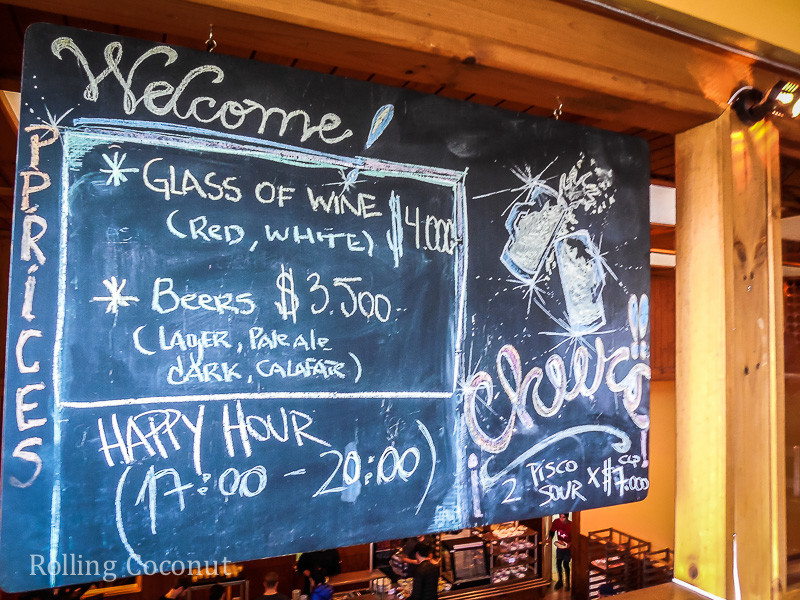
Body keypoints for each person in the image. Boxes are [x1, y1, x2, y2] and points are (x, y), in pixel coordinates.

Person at [548, 513, 572, 591]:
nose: (561, 519)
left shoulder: (571, 525)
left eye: (563, 517)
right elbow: (552, 531)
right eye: (560, 517)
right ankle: (560, 581)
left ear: (567, 517)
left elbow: (575, 537)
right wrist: (550, 539)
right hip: (560, 546)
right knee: (558, 563)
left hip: (568, 548)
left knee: (566, 564)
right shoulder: (556, 522)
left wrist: (569, 544)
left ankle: (567, 582)